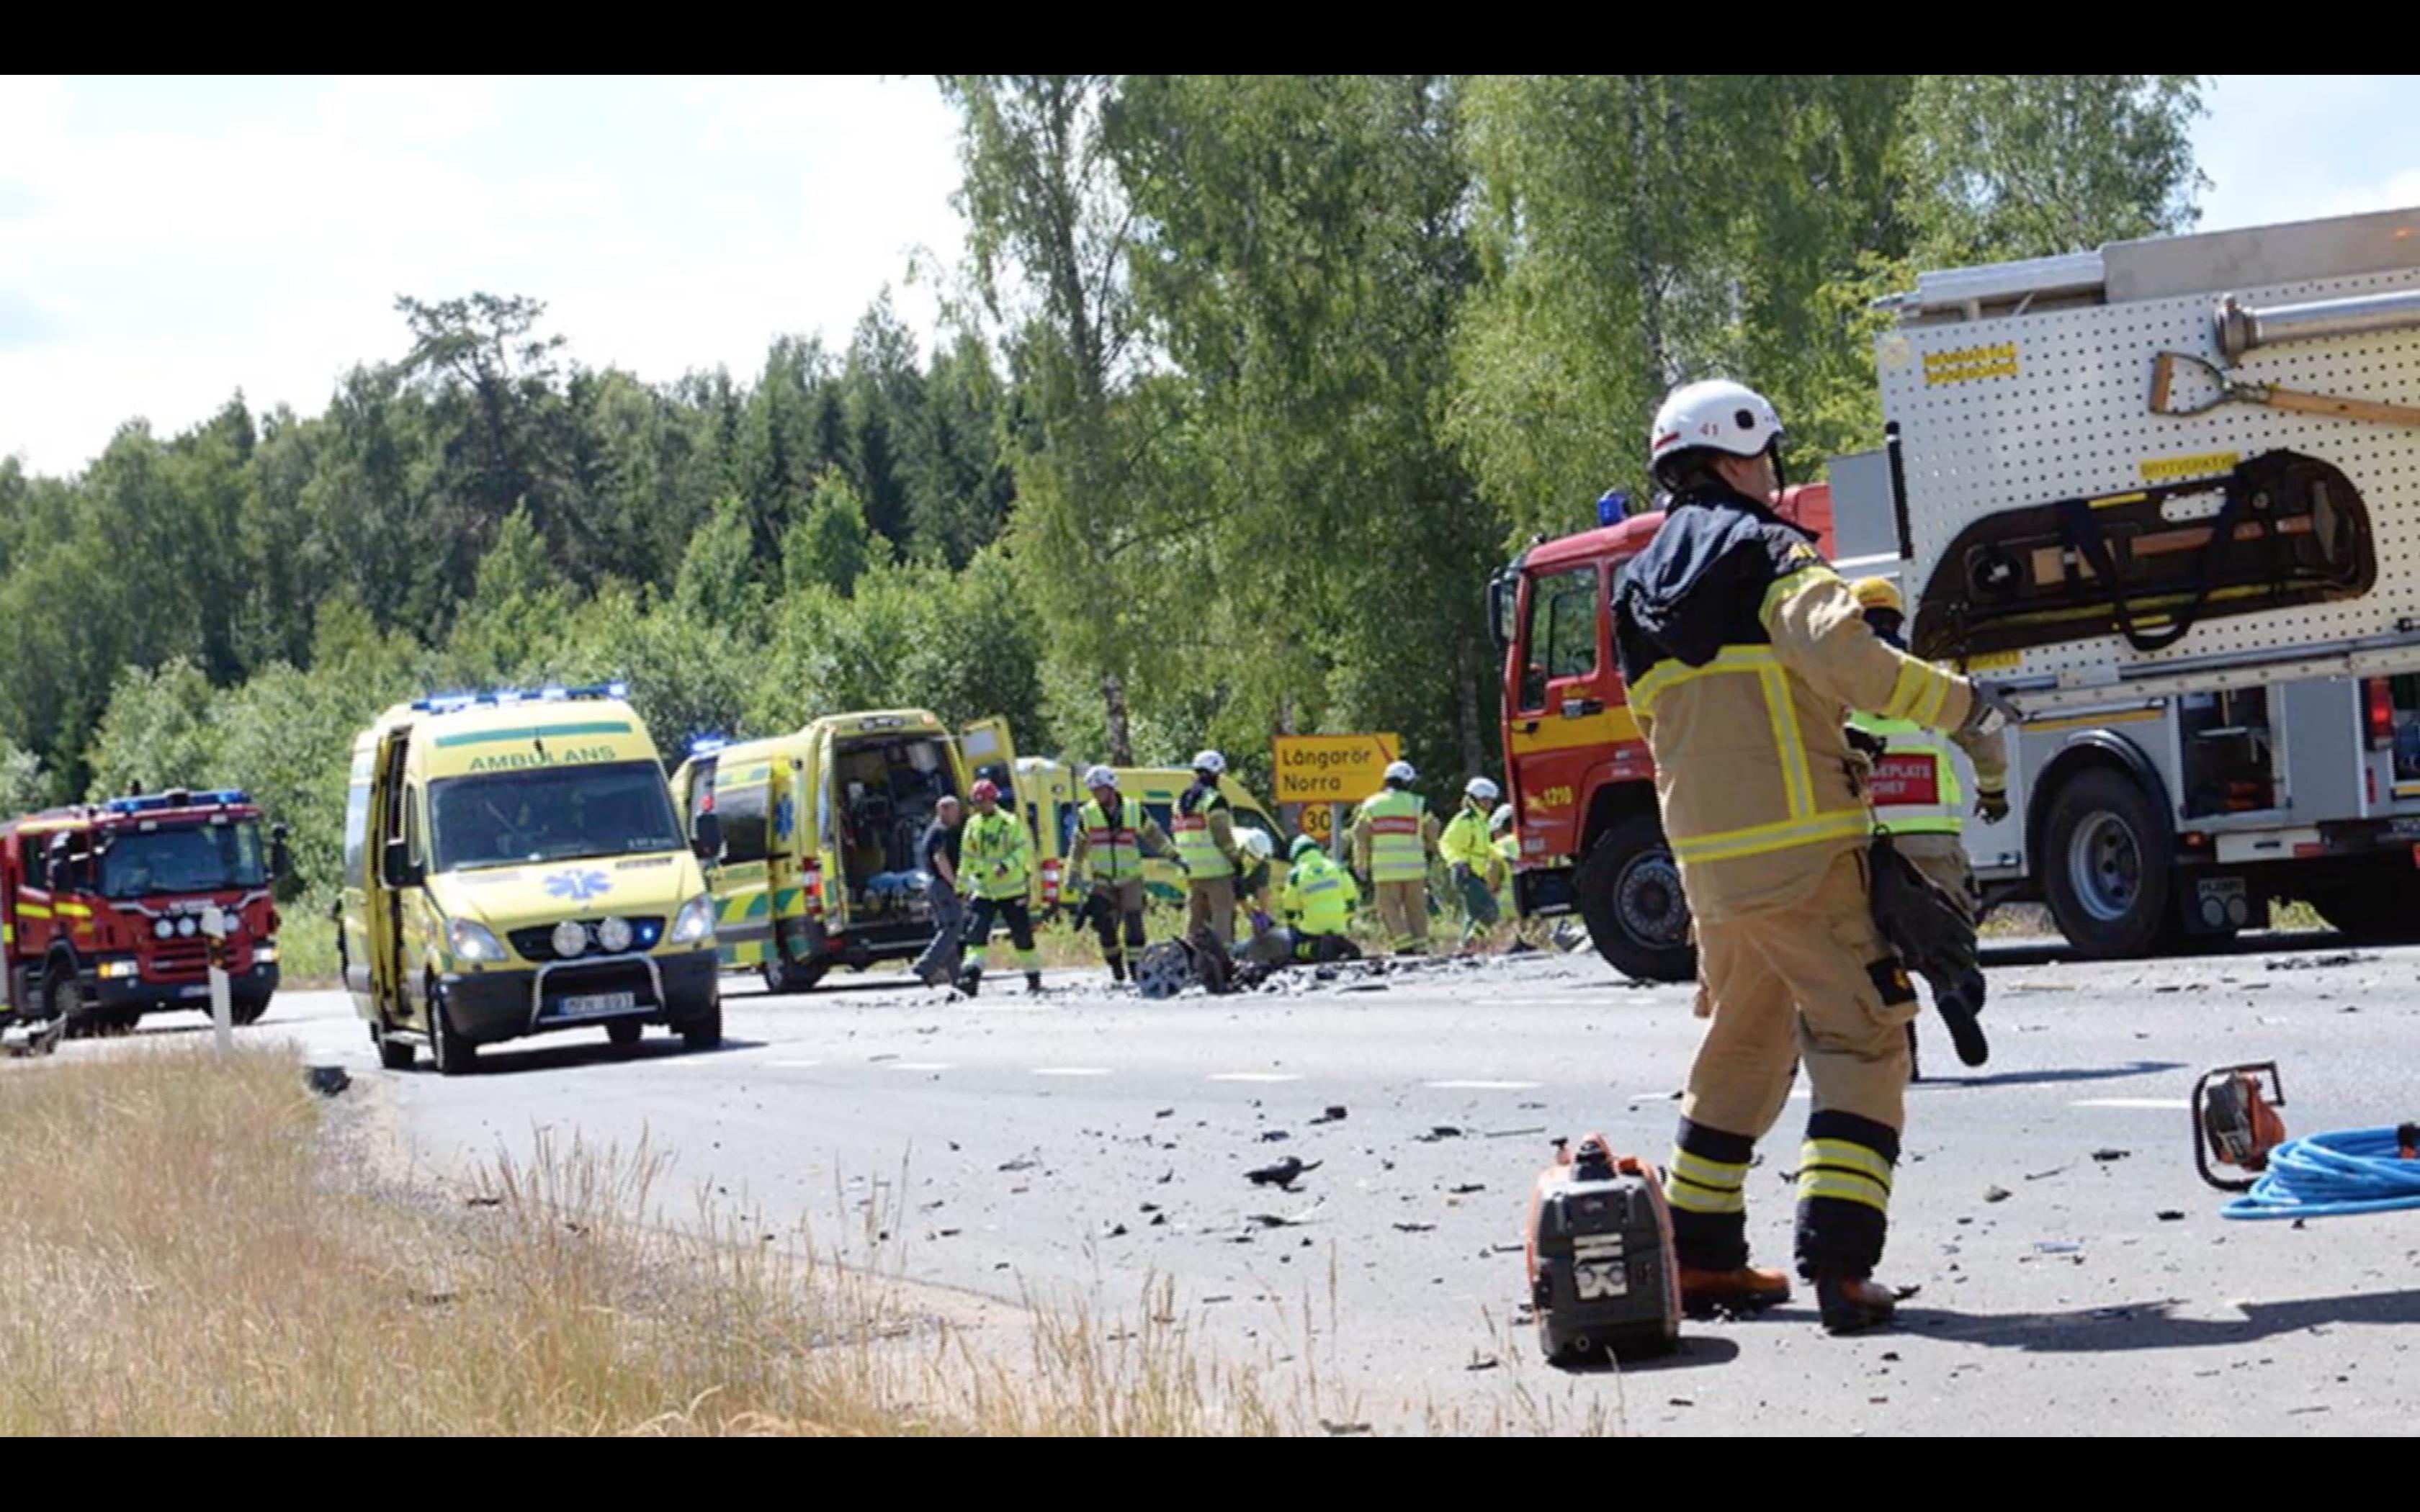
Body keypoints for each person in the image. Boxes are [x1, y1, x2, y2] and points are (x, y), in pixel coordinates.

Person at [1612, 377, 2015, 1334]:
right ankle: (1840, 1266)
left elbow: (1659, 720)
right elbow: (1852, 664)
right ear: (1736, 454)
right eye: (1763, 458)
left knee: (1742, 1043)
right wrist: (1964, 710)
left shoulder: (1636, 583)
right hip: (1802, 849)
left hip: (1707, 865)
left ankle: (1702, 1257)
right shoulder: (1771, 550)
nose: (1769, 474)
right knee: (1865, 1035)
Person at [1065, 766, 1173, 984]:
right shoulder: (1088, 814)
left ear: (1111, 788)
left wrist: (1172, 854)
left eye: (1100, 790)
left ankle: (1135, 968)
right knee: (1104, 925)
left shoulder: (1134, 810)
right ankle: (1115, 965)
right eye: (1093, 791)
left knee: (1134, 923)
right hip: (1103, 878)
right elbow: (1078, 847)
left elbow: (1154, 835)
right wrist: (1072, 874)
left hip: (1130, 877)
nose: (1096, 795)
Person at [955, 780, 1044, 996]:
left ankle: (1033, 978)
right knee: (976, 935)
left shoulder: (1009, 823)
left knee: (1022, 936)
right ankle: (970, 976)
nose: (979, 806)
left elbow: (1023, 850)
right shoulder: (973, 825)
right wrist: (961, 887)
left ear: (993, 800)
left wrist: (1006, 866)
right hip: (984, 891)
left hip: (1012, 891)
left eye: (983, 801)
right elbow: (967, 857)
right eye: (976, 802)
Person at [1349, 760, 1441, 954]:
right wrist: (1432, 845)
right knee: (1417, 909)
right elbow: (1433, 827)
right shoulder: (1418, 803)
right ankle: (1421, 945)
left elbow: (1359, 833)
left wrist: (1361, 863)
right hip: (1415, 869)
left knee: (1389, 909)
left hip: (1385, 870)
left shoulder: (1372, 805)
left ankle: (1402, 945)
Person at [1172, 750, 1243, 945]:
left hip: (1192, 870)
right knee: (1222, 916)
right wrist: (1236, 859)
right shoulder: (1214, 800)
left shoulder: (1180, 802)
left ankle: (1191, 959)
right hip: (1217, 870)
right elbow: (1222, 835)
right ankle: (1224, 961)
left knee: (1196, 920)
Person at [1439, 776, 1506, 953]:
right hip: (1466, 873)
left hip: (1477, 873)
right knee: (1490, 911)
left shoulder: (1481, 821)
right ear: (1475, 799)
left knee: (1473, 915)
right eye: (1485, 800)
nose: (1489, 804)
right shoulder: (1465, 820)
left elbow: (1483, 849)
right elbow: (1447, 843)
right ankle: (1471, 942)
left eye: (1491, 800)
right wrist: (1457, 862)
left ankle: (1465, 949)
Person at [911, 796, 966, 987]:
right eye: (955, 811)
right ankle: (925, 966)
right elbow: (940, 859)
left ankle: (957, 977)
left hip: (935, 885)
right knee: (953, 928)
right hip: (943, 885)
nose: (958, 815)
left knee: (947, 929)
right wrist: (956, 885)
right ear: (943, 810)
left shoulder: (934, 831)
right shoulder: (940, 832)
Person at [1278, 834, 1360, 960]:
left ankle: (1314, 950)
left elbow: (1290, 906)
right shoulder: (1336, 867)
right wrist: (1347, 920)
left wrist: (1292, 925)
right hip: (1338, 924)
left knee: (1296, 949)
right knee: (1335, 934)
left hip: (1312, 927)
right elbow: (1351, 895)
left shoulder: (1296, 874)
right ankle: (1339, 945)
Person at [1234, 827, 1278, 937]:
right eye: (1254, 858)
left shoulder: (1264, 850)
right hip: (1219, 872)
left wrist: (1263, 914)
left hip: (1245, 865)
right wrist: (1251, 916)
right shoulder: (1235, 851)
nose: (1257, 861)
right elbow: (1238, 892)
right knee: (1227, 912)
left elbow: (1263, 886)